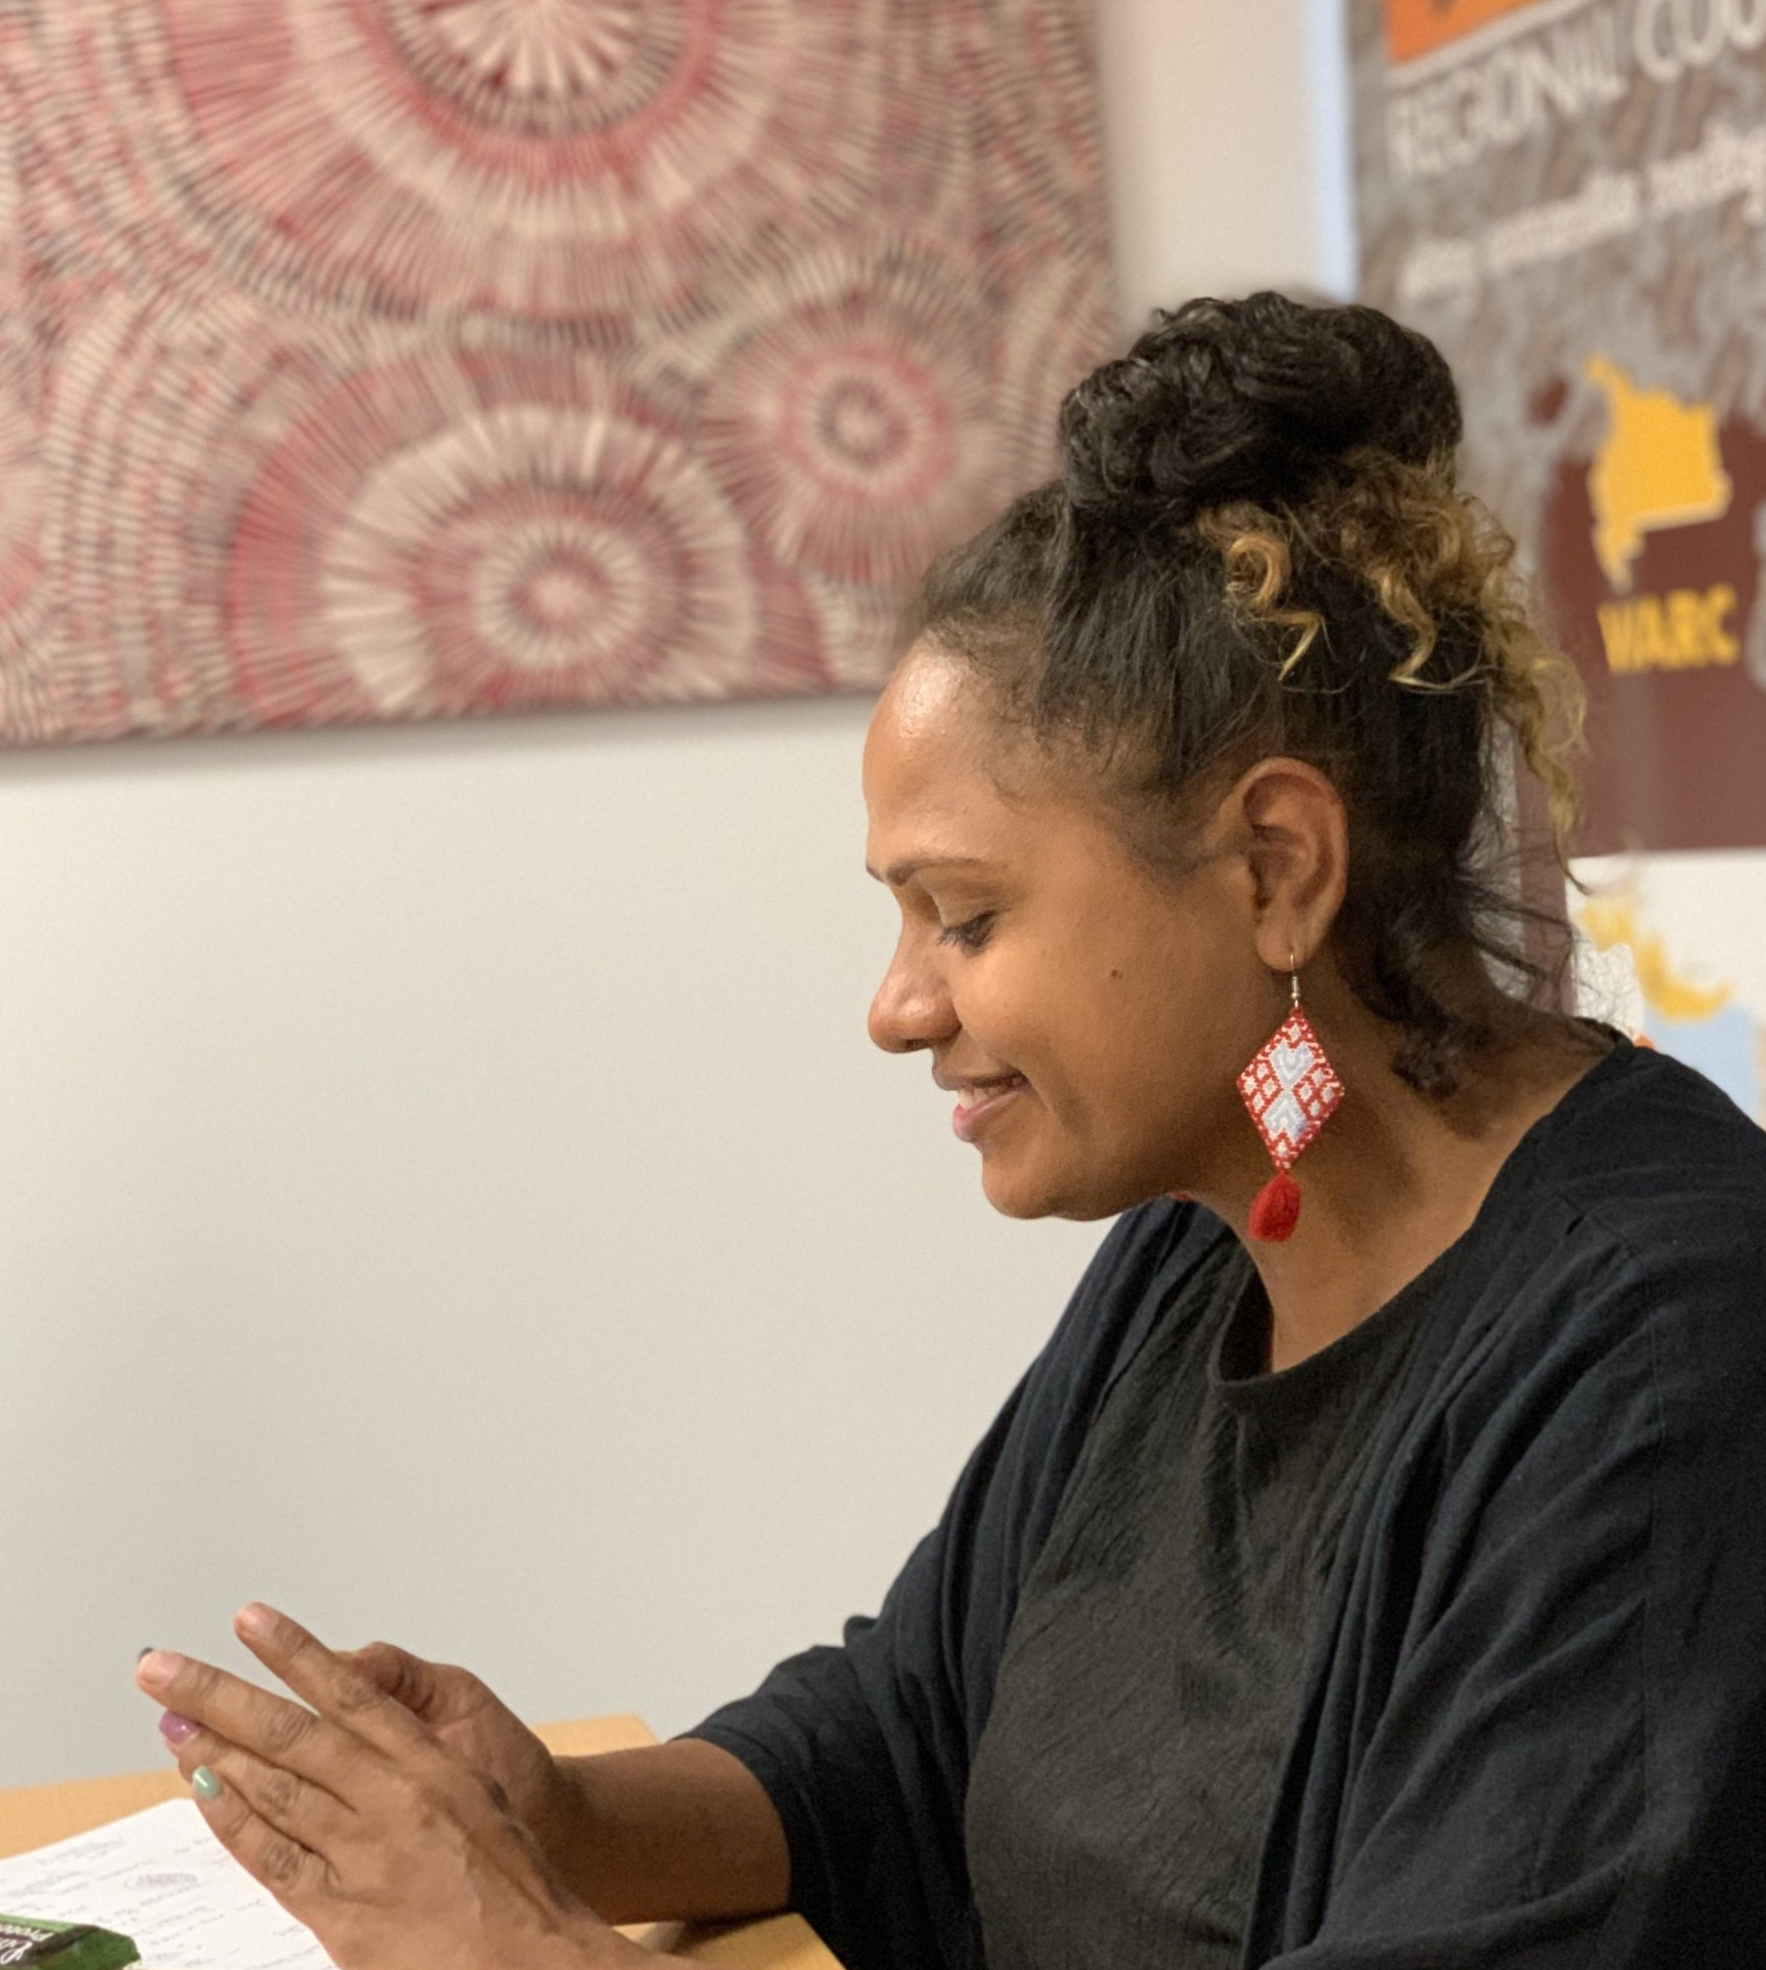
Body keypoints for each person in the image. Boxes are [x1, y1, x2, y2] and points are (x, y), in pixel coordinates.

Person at [135, 292, 1766, 1970]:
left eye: (963, 917)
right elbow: (915, 1730)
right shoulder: (1214, 1232)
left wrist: (519, 1948)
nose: (898, 1005)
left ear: (1275, 867)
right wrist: (553, 1814)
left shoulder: (1666, 1362)